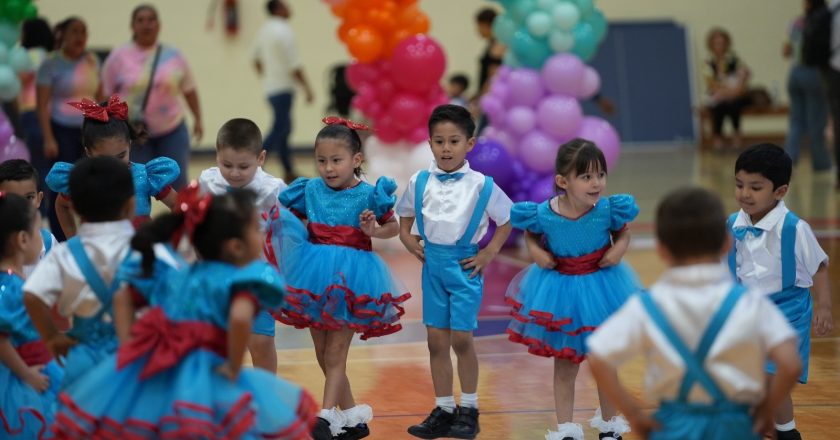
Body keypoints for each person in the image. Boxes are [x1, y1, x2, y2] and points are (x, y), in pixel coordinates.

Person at [49, 185, 317, 438]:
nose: (262, 233)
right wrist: (234, 367)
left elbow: (123, 296)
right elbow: (239, 317)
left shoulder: (181, 273)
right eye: (255, 229)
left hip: (156, 370)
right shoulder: (242, 278)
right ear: (235, 246)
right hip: (202, 375)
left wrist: (127, 342)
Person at [587, 187, 803, 440]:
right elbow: (790, 364)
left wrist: (634, 415)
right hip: (734, 426)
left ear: (661, 250)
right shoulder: (749, 302)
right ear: (726, 244)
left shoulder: (647, 305)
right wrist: (765, 412)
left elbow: (599, 358)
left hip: (674, 426)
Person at [274, 117, 408, 440]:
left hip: (352, 279)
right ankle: (353, 418)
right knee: (322, 353)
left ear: (356, 160)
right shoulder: (309, 190)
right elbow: (291, 219)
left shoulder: (368, 195)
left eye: (336, 160)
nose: (328, 168)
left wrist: (373, 229)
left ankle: (325, 416)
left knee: (336, 353)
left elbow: (392, 227)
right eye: (322, 161)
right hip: (315, 276)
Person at [504, 139, 639, 440]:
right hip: (561, 292)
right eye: (586, 176)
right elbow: (531, 234)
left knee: (604, 361)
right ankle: (566, 428)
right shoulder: (544, 213)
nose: (596, 183)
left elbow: (623, 234)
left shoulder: (607, 210)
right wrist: (536, 253)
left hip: (602, 287)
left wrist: (618, 250)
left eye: (600, 175)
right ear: (563, 181)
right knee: (565, 365)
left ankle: (609, 424)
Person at [397, 105, 513, 440]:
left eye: (454, 141)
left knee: (461, 339)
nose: (446, 148)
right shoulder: (419, 181)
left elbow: (506, 220)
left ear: (470, 144)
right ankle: (444, 407)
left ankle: (470, 408)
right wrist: (407, 238)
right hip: (431, 266)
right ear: (430, 143)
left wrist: (489, 253)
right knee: (436, 341)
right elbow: (405, 216)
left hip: (464, 266)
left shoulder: (481, 185)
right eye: (439, 141)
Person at [726, 144, 833, 440]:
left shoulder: (795, 229)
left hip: (788, 311)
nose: (744, 193)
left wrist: (824, 308)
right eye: (739, 185)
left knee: (773, 375)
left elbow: (819, 268)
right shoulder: (731, 226)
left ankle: (787, 432)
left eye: (755, 187)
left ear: (780, 191)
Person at [24, 156, 135, 389]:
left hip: (85, 360)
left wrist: (53, 337)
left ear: (73, 207)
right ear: (131, 204)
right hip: (135, 359)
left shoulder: (64, 255)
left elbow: (32, 296)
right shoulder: (147, 248)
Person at [198, 118, 287, 373]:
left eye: (243, 166)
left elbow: (289, 229)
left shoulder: (273, 189)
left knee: (260, 341)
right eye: (227, 165)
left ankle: (265, 391)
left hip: (258, 275)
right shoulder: (208, 182)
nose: (234, 173)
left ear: (261, 158)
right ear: (216, 155)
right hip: (218, 275)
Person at [45, 95, 179, 238]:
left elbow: (178, 204)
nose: (114, 166)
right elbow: (61, 205)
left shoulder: (146, 176)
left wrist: (169, 239)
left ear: (129, 144)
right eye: (104, 159)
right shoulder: (81, 181)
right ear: (88, 152)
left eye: (121, 156)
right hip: (97, 255)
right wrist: (71, 239)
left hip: (138, 253)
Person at [101, 4, 203, 190]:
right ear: (132, 26)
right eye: (141, 20)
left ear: (158, 25)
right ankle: (137, 220)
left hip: (172, 129)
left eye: (151, 20)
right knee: (135, 184)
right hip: (134, 132)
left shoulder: (173, 55)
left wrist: (198, 119)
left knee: (178, 182)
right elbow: (104, 95)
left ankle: (181, 218)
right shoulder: (118, 57)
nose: (146, 25)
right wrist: (108, 127)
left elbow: (189, 89)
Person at [0, 193, 64, 438]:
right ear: (23, 240)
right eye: (38, 231)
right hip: (28, 373)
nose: (42, 237)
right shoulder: (12, 288)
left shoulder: (11, 282)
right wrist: (26, 374)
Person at [36, 16, 101, 241]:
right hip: (61, 129)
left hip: (89, 130)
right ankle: (61, 237)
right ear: (62, 35)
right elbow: (41, 105)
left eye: (83, 32)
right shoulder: (51, 63)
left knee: (92, 180)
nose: (80, 37)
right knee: (62, 182)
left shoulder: (92, 60)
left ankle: (91, 230)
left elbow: (100, 95)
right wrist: (48, 138)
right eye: (74, 31)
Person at [253, 0, 314, 182]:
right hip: (284, 88)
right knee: (281, 127)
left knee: (284, 129)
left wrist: (267, 76)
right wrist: (307, 88)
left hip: (271, 88)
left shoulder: (264, 31)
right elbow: (294, 64)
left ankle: (288, 170)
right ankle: (255, 161)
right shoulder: (284, 30)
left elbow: (255, 58)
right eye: (286, 5)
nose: (289, 8)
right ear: (278, 9)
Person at [784, 0, 833, 171]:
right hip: (814, 73)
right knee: (816, 121)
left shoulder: (796, 23)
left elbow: (786, 50)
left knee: (796, 120)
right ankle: (821, 163)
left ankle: (788, 161)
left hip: (795, 72)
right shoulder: (825, 22)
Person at [17, 18, 55, 212]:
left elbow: (20, 80)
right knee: (47, 163)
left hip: (31, 111)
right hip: (48, 112)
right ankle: (49, 207)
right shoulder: (51, 55)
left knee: (38, 164)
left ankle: (39, 209)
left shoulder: (29, 55)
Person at [0, 159, 57, 278]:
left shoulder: (48, 242)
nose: (22, 206)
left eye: (29, 197)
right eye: (13, 198)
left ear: (39, 199)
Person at [702, 27, 751, 150]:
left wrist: (731, 92)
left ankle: (736, 135)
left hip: (735, 95)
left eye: (722, 43)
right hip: (718, 95)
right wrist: (724, 92)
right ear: (711, 45)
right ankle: (717, 138)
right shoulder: (708, 62)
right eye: (716, 43)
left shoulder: (734, 60)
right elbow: (711, 84)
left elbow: (743, 80)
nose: (720, 46)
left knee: (733, 104)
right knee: (719, 105)